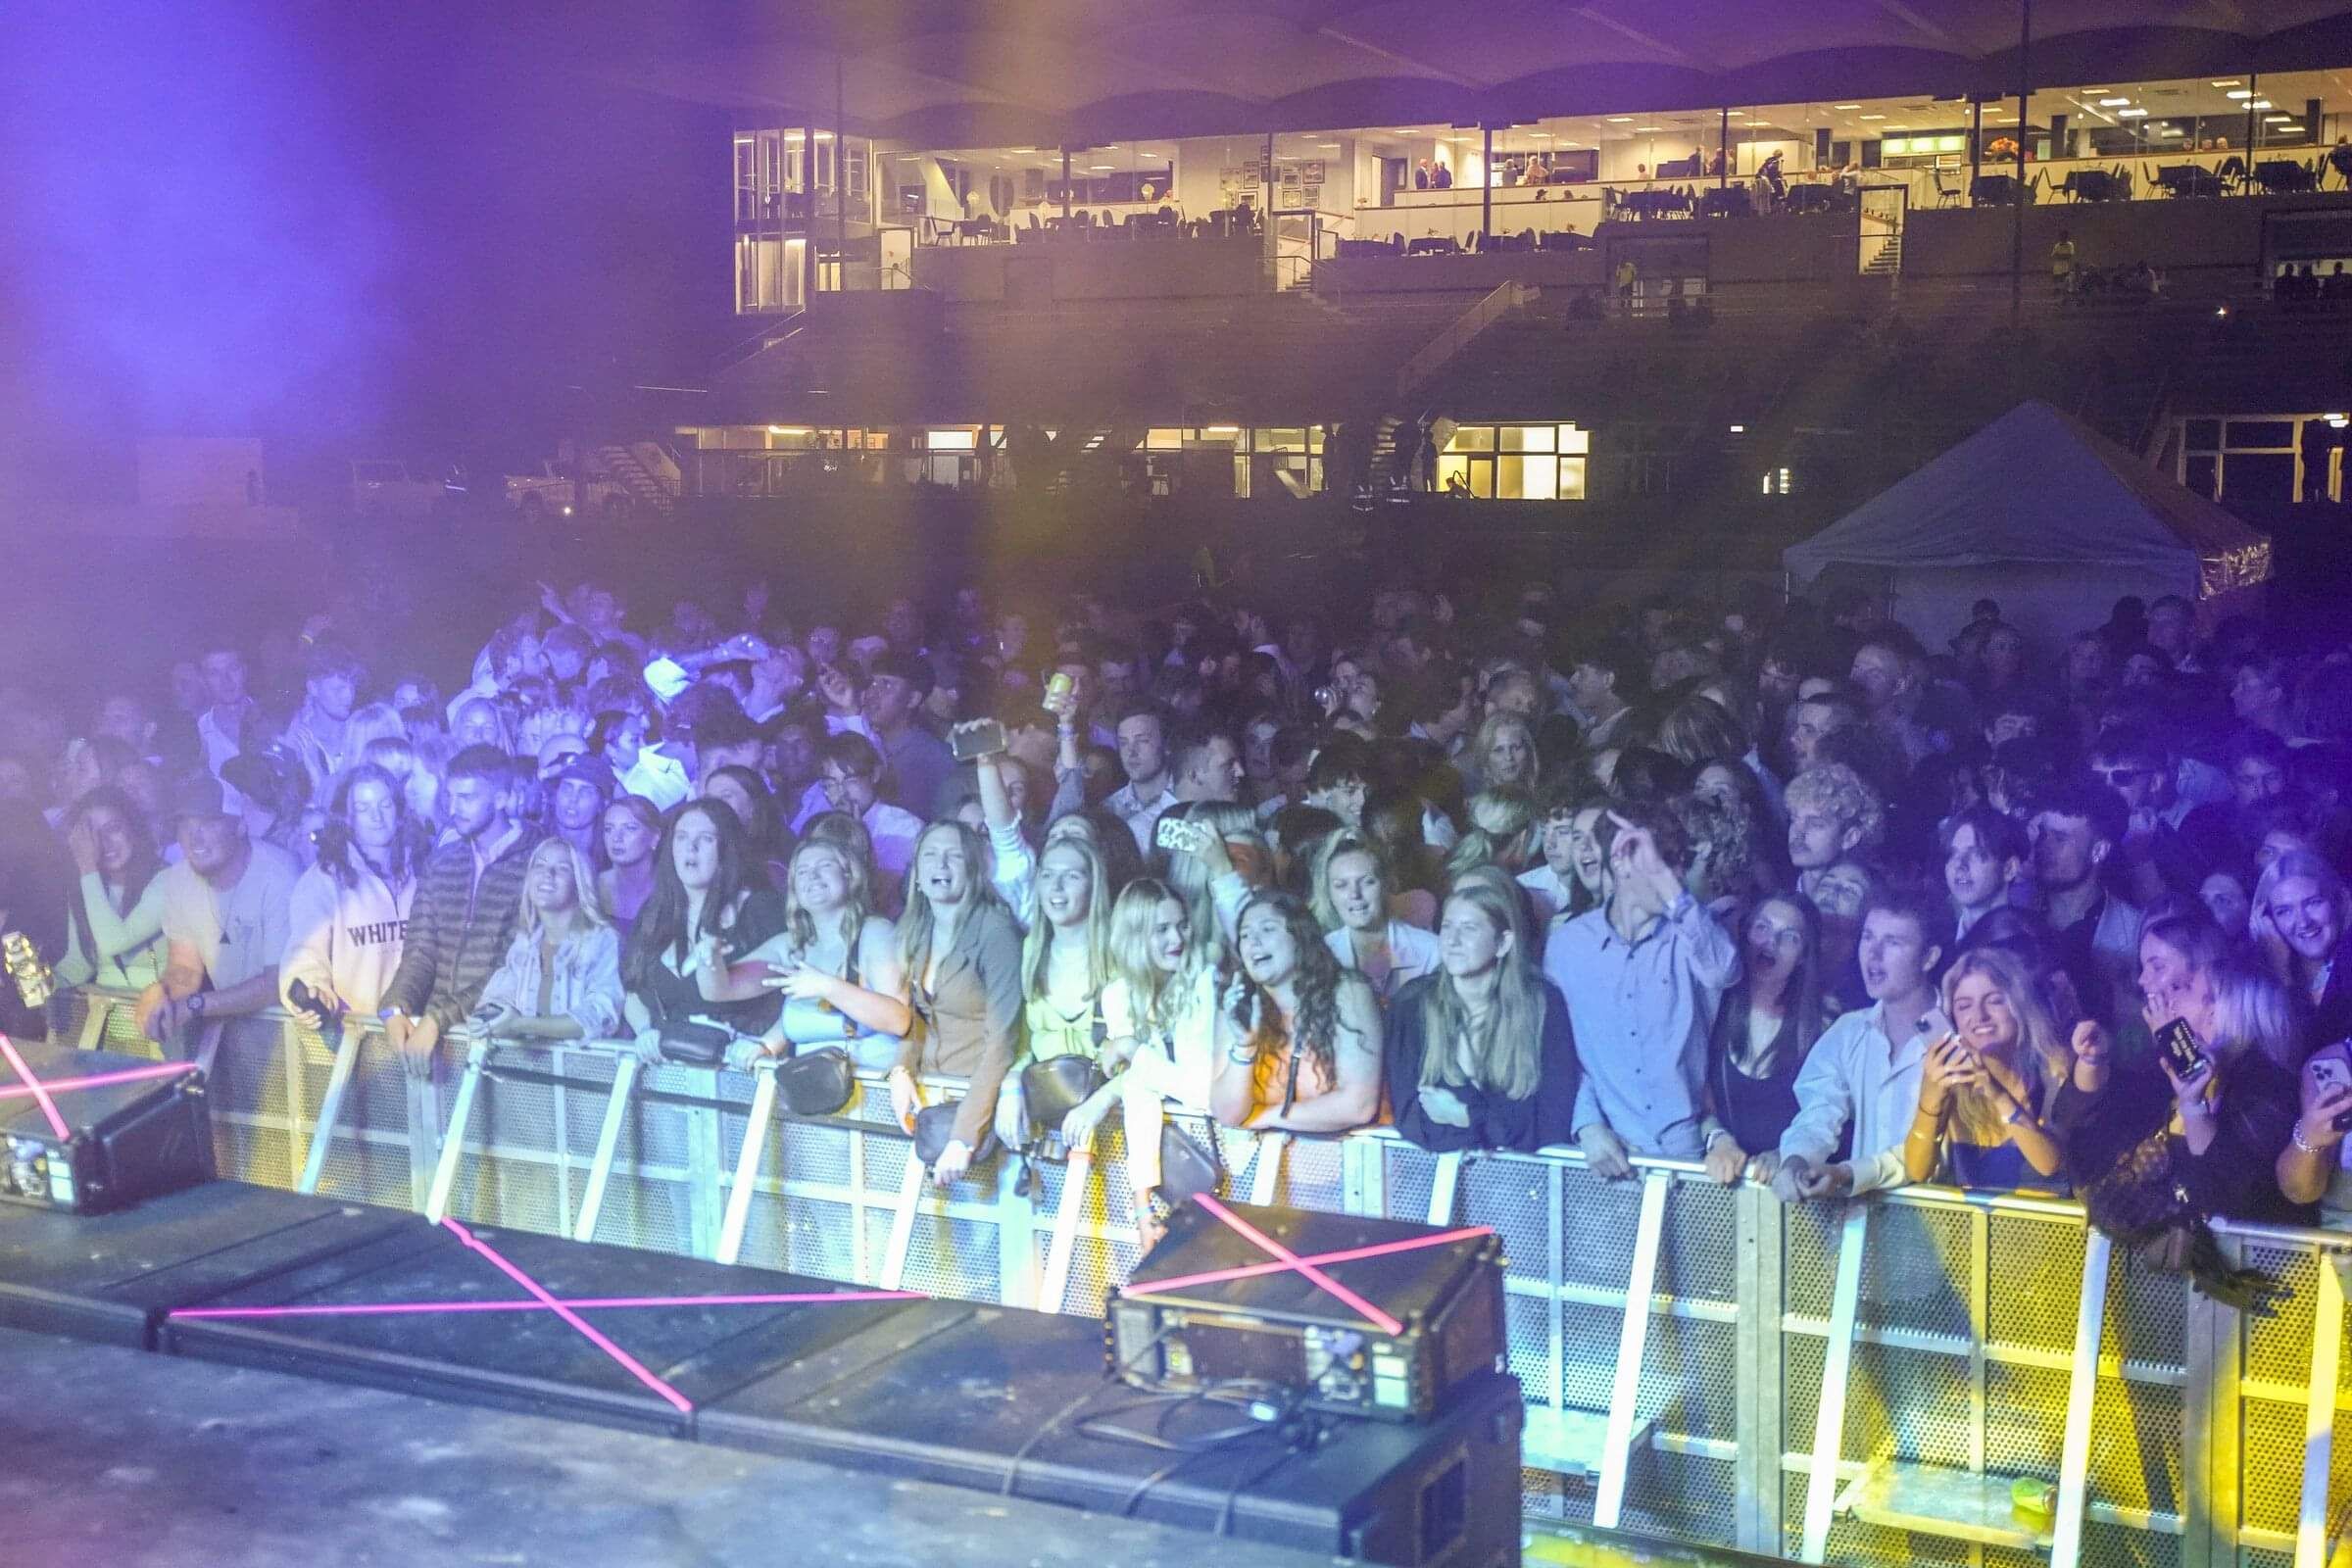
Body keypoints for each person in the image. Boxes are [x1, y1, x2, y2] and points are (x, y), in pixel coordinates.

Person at [1544, 805, 1740, 1176]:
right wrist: (1588, 1125)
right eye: (1661, 862)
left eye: (1677, 863)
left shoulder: (1693, 934)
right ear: (1620, 861)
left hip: (1688, 1154)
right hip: (1607, 1156)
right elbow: (1562, 1052)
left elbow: (1724, 971)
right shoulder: (1568, 946)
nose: (1675, 875)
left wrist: (1668, 887)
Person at [1759, 881, 1952, 1202]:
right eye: (1868, 937)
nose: (1874, 954)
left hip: (1945, 1221)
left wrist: (1848, 1174)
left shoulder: (1954, 1034)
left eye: (1893, 942)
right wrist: (1796, 1162)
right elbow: (1819, 1112)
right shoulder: (1850, 1030)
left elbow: (1937, 1151)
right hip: (1866, 1220)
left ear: (1929, 957)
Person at [377, 745, 547, 1078]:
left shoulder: (538, 864)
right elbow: (419, 952)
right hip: (441, 1045)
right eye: (450, 797)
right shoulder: (442, 861)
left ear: (501, 799)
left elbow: (514, 966)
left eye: (467, 798)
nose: (453, 809)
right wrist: (394, 1007)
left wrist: (439, 1018)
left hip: (505, 1044)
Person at [1385, 866, 1578, 1153]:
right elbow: (1412, 1120)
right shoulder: (1412, 1004)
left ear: (1503, 943)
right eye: (1447, 927)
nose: (1453, 940)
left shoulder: (1542, 1003)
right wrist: (1494, 1126)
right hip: (1435, 1170)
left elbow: (1549, 1123)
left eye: (1469, 928)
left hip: (1520, 1174)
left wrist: (1463, 1115)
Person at [886, 820, 1025, 1185]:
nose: (941, 865)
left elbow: (1002, 1042)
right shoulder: (915, 930)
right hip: (931, 1099)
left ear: (973, 869)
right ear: (917, 875)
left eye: (954, 856)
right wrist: (901, 1070)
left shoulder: (996, 932)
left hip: (979, 1108)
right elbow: (916, 1018)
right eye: (930, 855)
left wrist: (964, 1138)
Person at [137, 773, 301, 1049]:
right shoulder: (179, 879)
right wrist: (161, 991)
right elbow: (185, 969)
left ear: (240, 826)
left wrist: (196, 1004)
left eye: (209, 823)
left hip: (295, 1034)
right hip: (235, 1033)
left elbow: (278, 982)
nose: (195, 838)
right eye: (185, 825)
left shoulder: (279, 874)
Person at [1902, 946, 2082, 1192]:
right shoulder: (1951, 1077)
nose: (1979, 1016)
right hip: (1973, 1216)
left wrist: (1997, 1095)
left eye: (1994, 1001)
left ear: (2019, 1006)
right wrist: (1930, 1101)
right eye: (1964, 1006)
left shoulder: (2052, 1066)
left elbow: (2049, 1164)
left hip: (2045, 1215)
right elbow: (1917, 1170)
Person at [622, 800, 788, 1052]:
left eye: (706, 838)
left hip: (738, 1061)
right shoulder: (655, 911)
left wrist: (765, 1045)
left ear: (726, 848)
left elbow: (788, 993)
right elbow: (633, 990)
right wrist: (645, 1030)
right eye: (681, 837)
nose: (691, 847)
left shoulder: (760, 908)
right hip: (668, 1062)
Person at [1212, 890, 1383, 1133]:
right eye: (1245, 935)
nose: (1254, 942)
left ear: (1300, 937)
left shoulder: (1348, 991)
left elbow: (1359, 1105)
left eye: (1267, 929)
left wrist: (1267, 1116)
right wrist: (1244, 1047)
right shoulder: (1238, 1001)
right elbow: (1228, 1114)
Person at [279, 762, 427, 1019]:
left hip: (419, 1031)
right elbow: (306, 953)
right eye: (363, 808)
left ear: (399, 811)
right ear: (347, 817)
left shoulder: (423, 870)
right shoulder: (324, 880)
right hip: (358, 1031)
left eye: (385, 805)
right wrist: (313, 990)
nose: (376, 817)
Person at [1702, 894, 1831, 1184]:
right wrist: (1719, 1139)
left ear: (1803, 956)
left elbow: (1832, 1114)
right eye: (1762, 927)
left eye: (1790, 937)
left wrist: (1788, 1153)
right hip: (1720, 1182)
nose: (1771, 941)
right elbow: (1694, 1096)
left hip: (1794, 1189)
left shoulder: (1823, 1024)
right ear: (1745, 933)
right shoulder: (1713, 1008)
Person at [1000, 835, 1114, 1144]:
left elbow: (1144, 1055)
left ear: (1094, 885)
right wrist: (1011, 1083)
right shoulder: (1031, 950)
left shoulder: (1118, 954)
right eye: (1048, 875)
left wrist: (1097, 1106)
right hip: (1047, 1122)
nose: (1057, 887)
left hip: (1111, 1123)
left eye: (1072, 876)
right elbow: (1023, 1043)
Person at [468, 838, 625, 1045]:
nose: (547, 874)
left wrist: (520, 1024)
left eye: (562, 869)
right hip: (523, 1064)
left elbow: (600, 1014)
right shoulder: (525, 942)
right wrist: (486, 1019)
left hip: (580, 1064)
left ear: (579, 882)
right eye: (540, 866)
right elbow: (497, 998)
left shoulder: (602, 941)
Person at [2030, 778, 2143, 1033]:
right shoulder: (2016, 918)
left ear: (2099, 851)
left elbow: (2137, 1039)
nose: (2044, 847)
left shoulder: (2136, 933)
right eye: (2043, 834)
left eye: (2060, 838)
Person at [55, 785, 168, 993]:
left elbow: (114, 941)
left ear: (133, 828)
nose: (104, 842)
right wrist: (38, 981)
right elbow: (79, 964)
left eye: (113, 829)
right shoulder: (88, 888)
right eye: (92, 835)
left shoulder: (167, 879)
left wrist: (87, 866)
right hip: (107, 1010)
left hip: (160, 1008)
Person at [1311, 831, 1440, 1006]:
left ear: (1386, 884)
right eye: (1341, 885)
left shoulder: (1430, 950)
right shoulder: (1320, 955)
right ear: (1329, 894)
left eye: (1367, 882)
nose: (1354, 894)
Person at [2250, 850, 2352, 1040]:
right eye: (2284, 911)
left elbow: (2320, 1044)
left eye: (2313, 903)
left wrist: (2283, 975)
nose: (2303, 922)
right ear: (2267, 920)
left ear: (2338, 901)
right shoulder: (2261, 985)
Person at [818, 731, 923, 881]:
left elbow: (893, 888)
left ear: (874, 775)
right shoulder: (823, 829)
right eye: (830, 783)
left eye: (850, 780)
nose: (841, 791)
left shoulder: (903, 827)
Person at [1104, 704, 1177, 852]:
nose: (1131, 752)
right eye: (1123, 743)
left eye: (1142, 740)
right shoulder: (1109, 809)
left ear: (1167, 744)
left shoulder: (1185, 798)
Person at [596, 794, 662, 930]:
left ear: (655, 837)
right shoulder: (590, 888)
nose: (617, 838)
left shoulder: (671, 889)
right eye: (609, 829)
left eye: (630, 828)